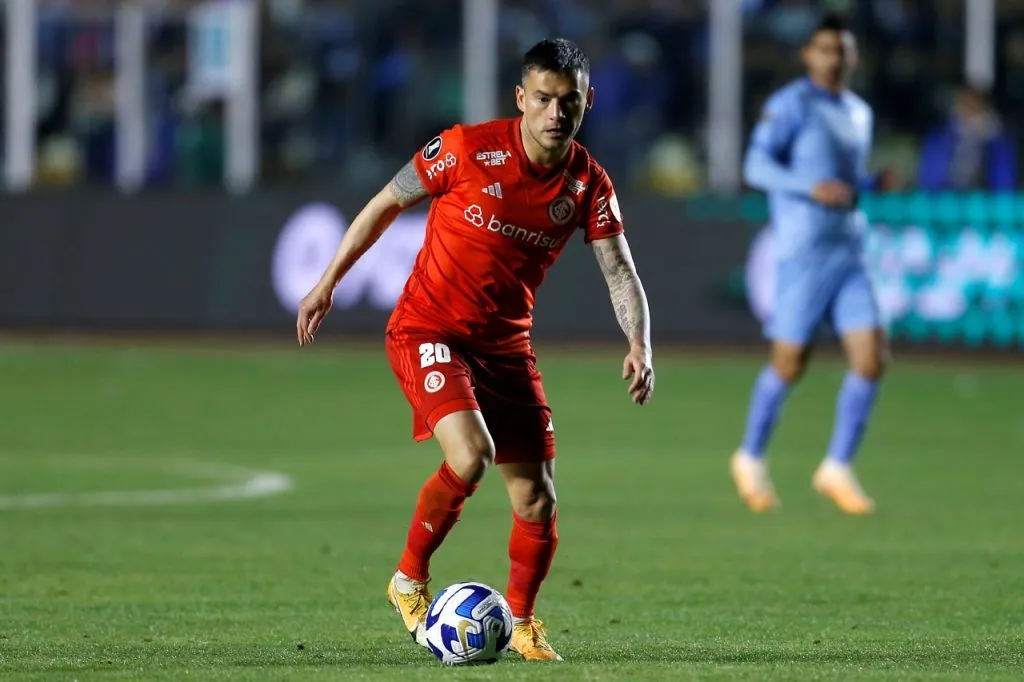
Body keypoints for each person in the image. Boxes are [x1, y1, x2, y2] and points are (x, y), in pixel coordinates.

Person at [295, 38, 654, 661]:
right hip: (427, 329)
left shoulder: (588, 183)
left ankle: (523, 623)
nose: (555, 113)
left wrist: (639, 344)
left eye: (568, 101)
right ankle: (408, 578)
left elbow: (620, 270)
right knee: (471, 454)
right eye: (542, 98)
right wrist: (329, 281)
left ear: (587, 102)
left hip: (506, 347)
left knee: (537, 496)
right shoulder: (465, 148)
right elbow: (386, 203)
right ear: (521, 97)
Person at [732, 13, 884, 516]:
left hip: (849, 250)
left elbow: (843, 177)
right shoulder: (790, 105)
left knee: (871, 358)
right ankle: (750, 456)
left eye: (842, 49)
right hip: (803, 254)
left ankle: (837, 465)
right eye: (825, 48)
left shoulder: (859, 112)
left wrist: (870, 184)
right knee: (790, 364)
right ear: (808, 55)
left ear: (853, 56)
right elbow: (755, 165)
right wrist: (807, 186)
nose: (834, 58)